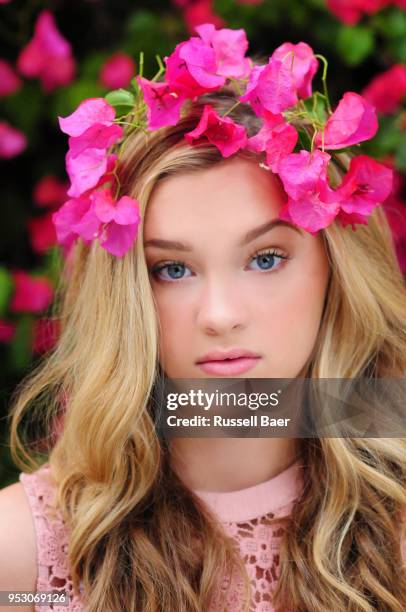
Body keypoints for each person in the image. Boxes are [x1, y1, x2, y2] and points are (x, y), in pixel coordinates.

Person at [1, 27, 406, 612]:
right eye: (171, 270)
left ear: (336, 272)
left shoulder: (394, 527)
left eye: (266, 259)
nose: (219, 316)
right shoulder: (28, 559)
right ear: (129, 292)